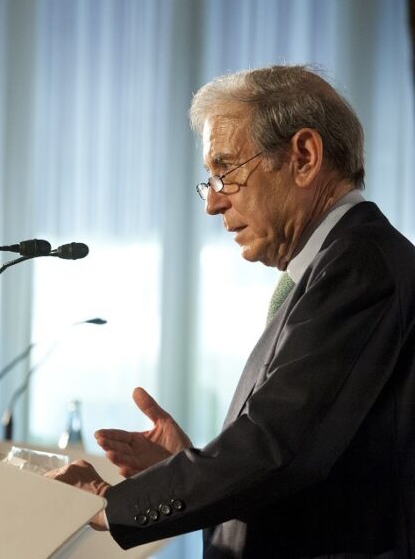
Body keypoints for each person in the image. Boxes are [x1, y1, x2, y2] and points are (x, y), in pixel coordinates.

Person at [49, 65, 415, 557]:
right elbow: (310, 449)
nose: (213, 203)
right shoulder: (336, 265)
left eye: (225, 170)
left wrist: (111, 503)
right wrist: (189, 464)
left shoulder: (360, 266)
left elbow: (278, 448)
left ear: (304, 157)